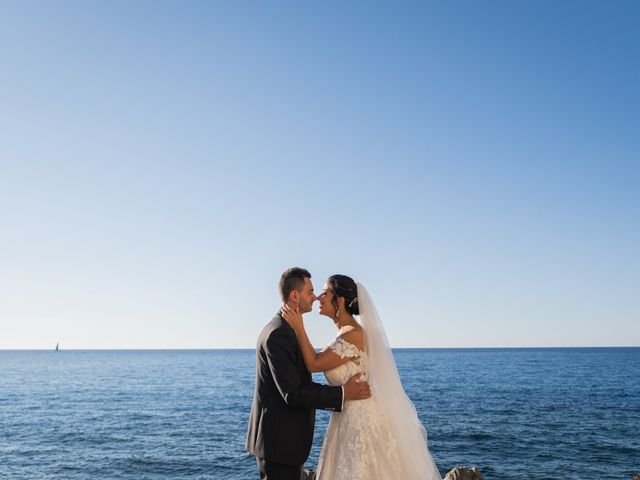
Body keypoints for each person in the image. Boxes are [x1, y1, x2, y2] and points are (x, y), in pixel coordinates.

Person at [281, 274, 441, 480]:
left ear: (339, 301)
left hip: (361, 422)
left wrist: (299, 327)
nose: (319, 297)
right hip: (345, 416)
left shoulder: (353, 334)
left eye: (325, 293)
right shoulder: (345, 334)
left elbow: (314, 363)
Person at [246, 268, 371, 480]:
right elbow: (293, 393)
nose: (315, 298)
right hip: (279, 445)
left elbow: (311, 364)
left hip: (287, 444)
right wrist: (343, 393)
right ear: (295, 295)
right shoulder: (278, 334)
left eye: (321, 293)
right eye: (311, 292)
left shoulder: (288, 330)